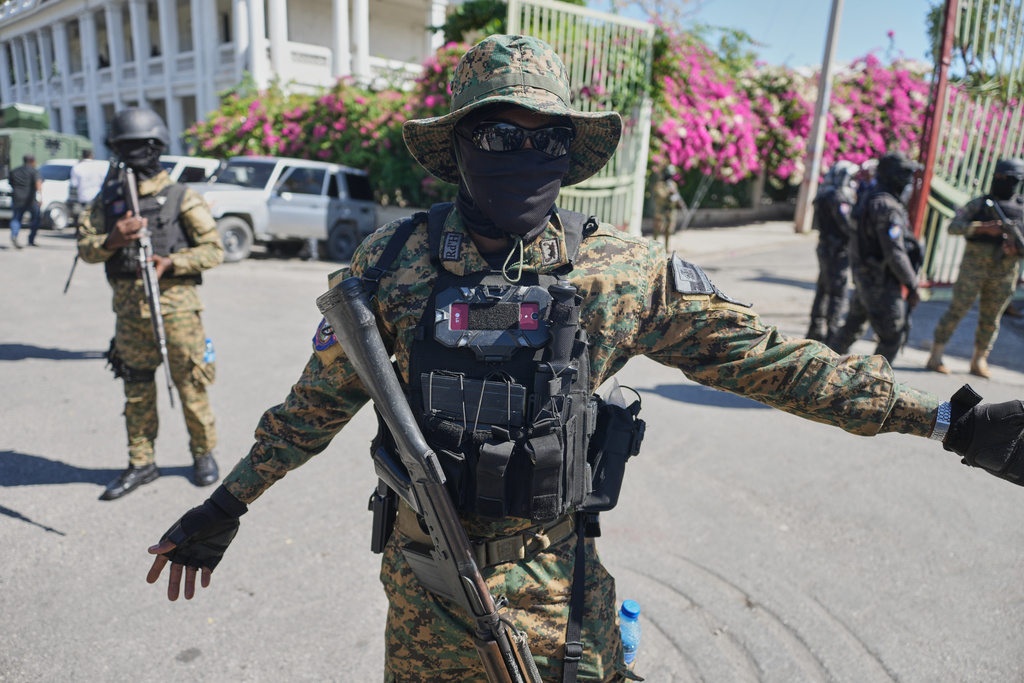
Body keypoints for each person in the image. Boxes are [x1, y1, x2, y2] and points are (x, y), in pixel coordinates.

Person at [145, 36, 1024, 683]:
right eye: (497, 136)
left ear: (571, 151)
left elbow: (769, 360)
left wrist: (941, 417)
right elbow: (313, 406)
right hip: (426, 590)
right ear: (455, 146)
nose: (523, 154)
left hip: (560, 585)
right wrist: (226, 505)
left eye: (545, 138)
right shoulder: (390, 267)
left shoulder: (621, 270)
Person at [77, 107, 224, 501]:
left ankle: (203, 454)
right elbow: (85, 249)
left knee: (192, 385)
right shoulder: (108, 201)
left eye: (139, 147)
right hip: (129, 315)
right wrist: (113, 239)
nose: (132, 155)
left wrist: (172, 262)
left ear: (156, 147)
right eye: (124, 148)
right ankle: (142, 462)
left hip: (178, 313)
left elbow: (214, 249)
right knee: (137, 390)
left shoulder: (181, 196)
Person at [926, 158, 1024, 377]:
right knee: (957, 310)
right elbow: (954, 227)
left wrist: (1016, 250)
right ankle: (936, 355)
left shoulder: (1021, 209)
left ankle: (979, 360)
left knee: (992, 317)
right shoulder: (979, 204)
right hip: (973, 270)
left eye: (1006, 179)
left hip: (1005, 273)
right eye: (998, 178)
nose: (1001, 182)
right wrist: (982, 229)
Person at [828, 151, 923, 362]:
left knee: (851, 329)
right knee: (892, 337)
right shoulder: (887, 207)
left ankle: (818, 367)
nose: (908, 181)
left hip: (865, 277)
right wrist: (912, 283)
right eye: (904, 174)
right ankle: (871, 386)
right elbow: (895, 252)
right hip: (880, 282)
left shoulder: (868, 199)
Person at [806, 160, 858, 343]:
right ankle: (831, 333)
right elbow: (847, 226)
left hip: (825, 248)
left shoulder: (823, 194)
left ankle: (815, 328)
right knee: (837, 292)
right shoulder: (837, 197)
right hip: (837, 252)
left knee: (823, 289)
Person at [69, 148, 110, 226]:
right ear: (92, 156)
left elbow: (74, 185)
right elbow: (105, 181)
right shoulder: (99, 166)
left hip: (83, 198)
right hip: (97, 197)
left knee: (82, 222)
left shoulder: (77, 167)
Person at [9, 153, 41, 248]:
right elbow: (38, 183)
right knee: (36, 219)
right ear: (32, 162)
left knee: (16, 219)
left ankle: (14, 235)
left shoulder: (15, 171)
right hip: (30, 200)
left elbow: (11, 183)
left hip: (17, 198)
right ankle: (31, 239)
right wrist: (40, 197)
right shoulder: (34, 171)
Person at [651, 164, 684, 249]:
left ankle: (666, 247)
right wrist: (669, 192)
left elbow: (675, 197)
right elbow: (660, 195)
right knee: (658, 228)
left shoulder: (673, 184)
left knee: (669, 229)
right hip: (661, 209)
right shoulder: (660, 185)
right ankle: (653, 245)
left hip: (670, 210)